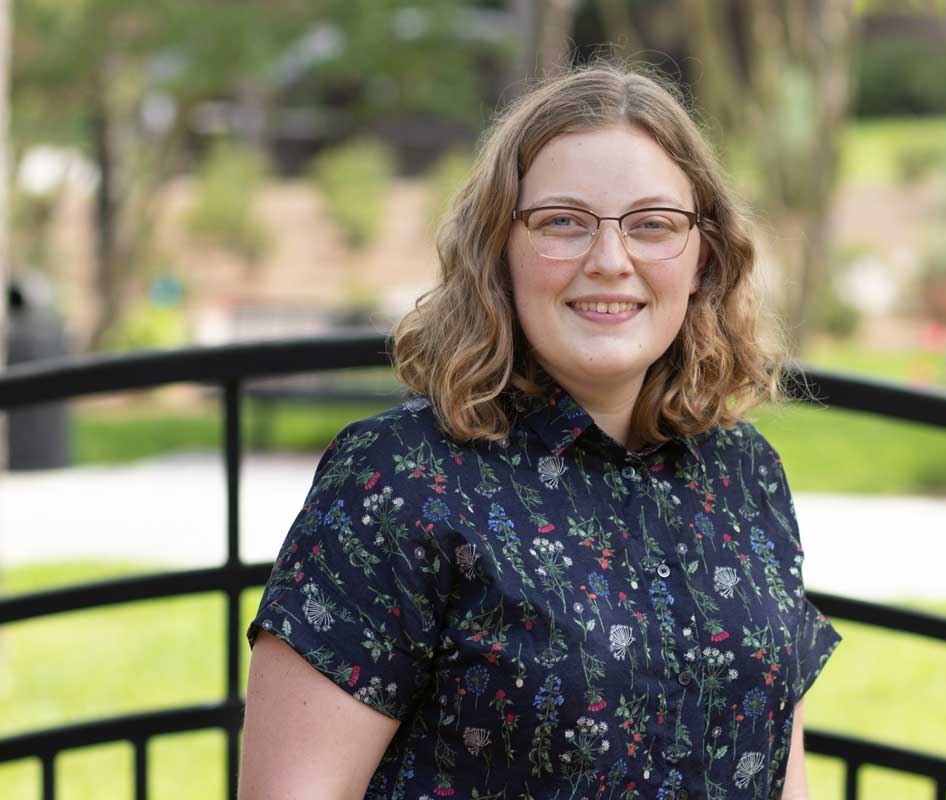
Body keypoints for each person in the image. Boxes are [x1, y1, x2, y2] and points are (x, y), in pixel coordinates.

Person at [239, 61, 841, 800]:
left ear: (701, 258)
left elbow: (786, 773)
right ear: (500, 249)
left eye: (653, 225)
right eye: (563, 222)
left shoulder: (745, 475)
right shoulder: (397, 479)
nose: (610, 261)